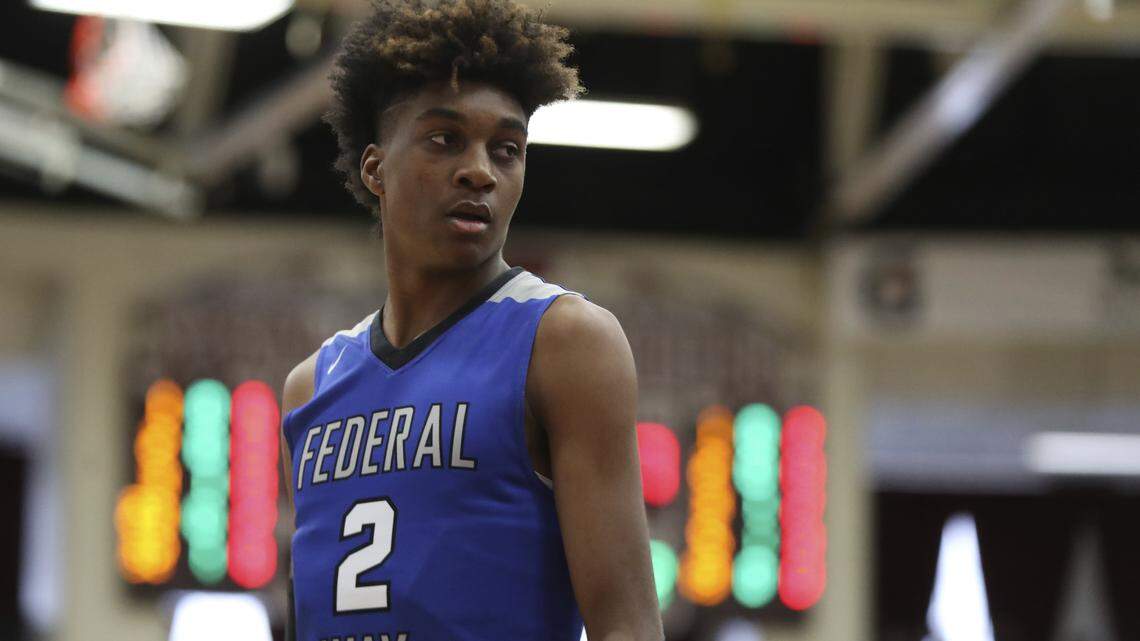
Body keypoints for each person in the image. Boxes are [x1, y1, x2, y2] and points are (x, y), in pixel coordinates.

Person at [279, 1, 663, 640]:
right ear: (375, 168)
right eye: (445, 139)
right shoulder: (312, 386)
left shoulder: (564, 342)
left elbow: (628, 627)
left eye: (506, 149)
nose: (480, 170)